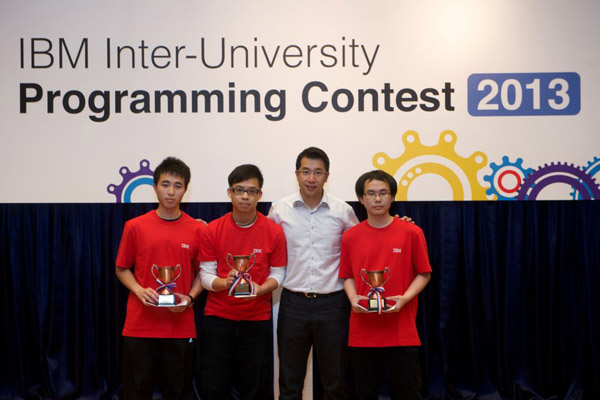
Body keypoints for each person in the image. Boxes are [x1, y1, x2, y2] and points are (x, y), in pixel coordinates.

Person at [268, 147, 359, 399]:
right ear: (296, 174)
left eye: (318, 172)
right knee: (289, 382)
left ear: (327, 176)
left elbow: (364, 243)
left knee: (334, 382)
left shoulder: (343, 211)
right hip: (293, 303)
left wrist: (399, 224)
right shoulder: (278, 210)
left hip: (334, 304)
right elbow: (261, 242)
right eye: (306, 172)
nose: (311, 178)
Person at [115, 156, 205, 400]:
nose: (171, 191)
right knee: (136, 390)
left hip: (179, 325)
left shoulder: (198, 230)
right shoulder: (135, 226)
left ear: (185, 190)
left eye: (178, 186)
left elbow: (203, 274)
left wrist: (189, 297)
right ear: (155, 187)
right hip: (140, 324)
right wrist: (138, 289)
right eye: (165, 184)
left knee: (178, 391)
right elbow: (121, 269)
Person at [339, 170, 432, 400]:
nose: (377, 199)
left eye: (383, 193)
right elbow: (347, 275)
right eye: (371, 193)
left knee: (408, 393)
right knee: (365, 393)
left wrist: (405, 298)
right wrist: (353, 300)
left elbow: (424, 273)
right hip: (363, 331)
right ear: (361, 198)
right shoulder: (350, 236)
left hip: (401, 330)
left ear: (392, 197)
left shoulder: (412, 232)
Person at [198, 164, 287, 400]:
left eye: (252, 190)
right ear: (229, 193)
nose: (245, 196)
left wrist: (261, 289)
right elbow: (205, 276)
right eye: (239, 190)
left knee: (255, 386)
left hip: (256, 319)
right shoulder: (213, 230)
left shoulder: (274, 231)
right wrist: (223, 283)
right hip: (218, 318)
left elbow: (279, 274)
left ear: (260, 195)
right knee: (214, 384)